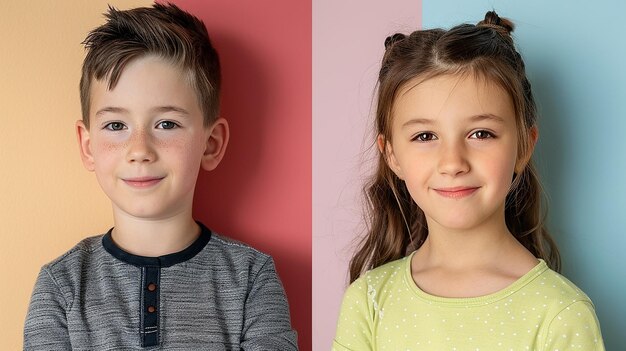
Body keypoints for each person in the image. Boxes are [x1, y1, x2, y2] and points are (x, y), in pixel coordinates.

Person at [23, 3, 297, 350]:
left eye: (166, 124)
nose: (140, 149)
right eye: (116, 125)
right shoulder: (60, 286)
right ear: (88, 145)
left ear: (211, 144)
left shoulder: (252, 279)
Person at [333, 11, 604, 351]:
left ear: (523, 146)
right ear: (391, 155)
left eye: (480, 133)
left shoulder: (560, 313)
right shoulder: (368, 301)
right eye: (425, 136)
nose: (452, 163)